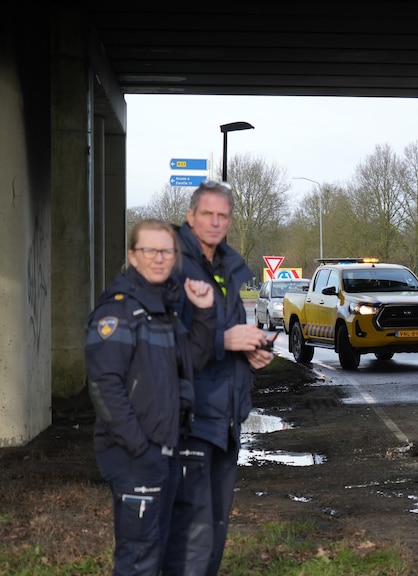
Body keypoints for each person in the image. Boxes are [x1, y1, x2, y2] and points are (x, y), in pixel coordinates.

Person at [85, 219, 216, 576]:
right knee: (138, 557)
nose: (159, 258)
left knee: (157, 550)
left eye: (167, 251)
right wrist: (140, 449)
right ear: (132, 256)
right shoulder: (118, 311)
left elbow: (192, 361)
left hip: (165, 448)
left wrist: (204, 312)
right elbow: (104, 387)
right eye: (150, 250)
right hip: (135, 454)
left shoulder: (162, 309)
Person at [165, 180, 274, 576]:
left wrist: (250, 352)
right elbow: (160, 342)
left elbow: (226, 336)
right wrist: (223, 340)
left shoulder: (226, 267)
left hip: (226, 419)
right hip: (188, 418)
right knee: (190, 536)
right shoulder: (172, 265)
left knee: (213, 532)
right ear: (191, 216)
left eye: (222, 216)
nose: (215, 222)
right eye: (207, 214)